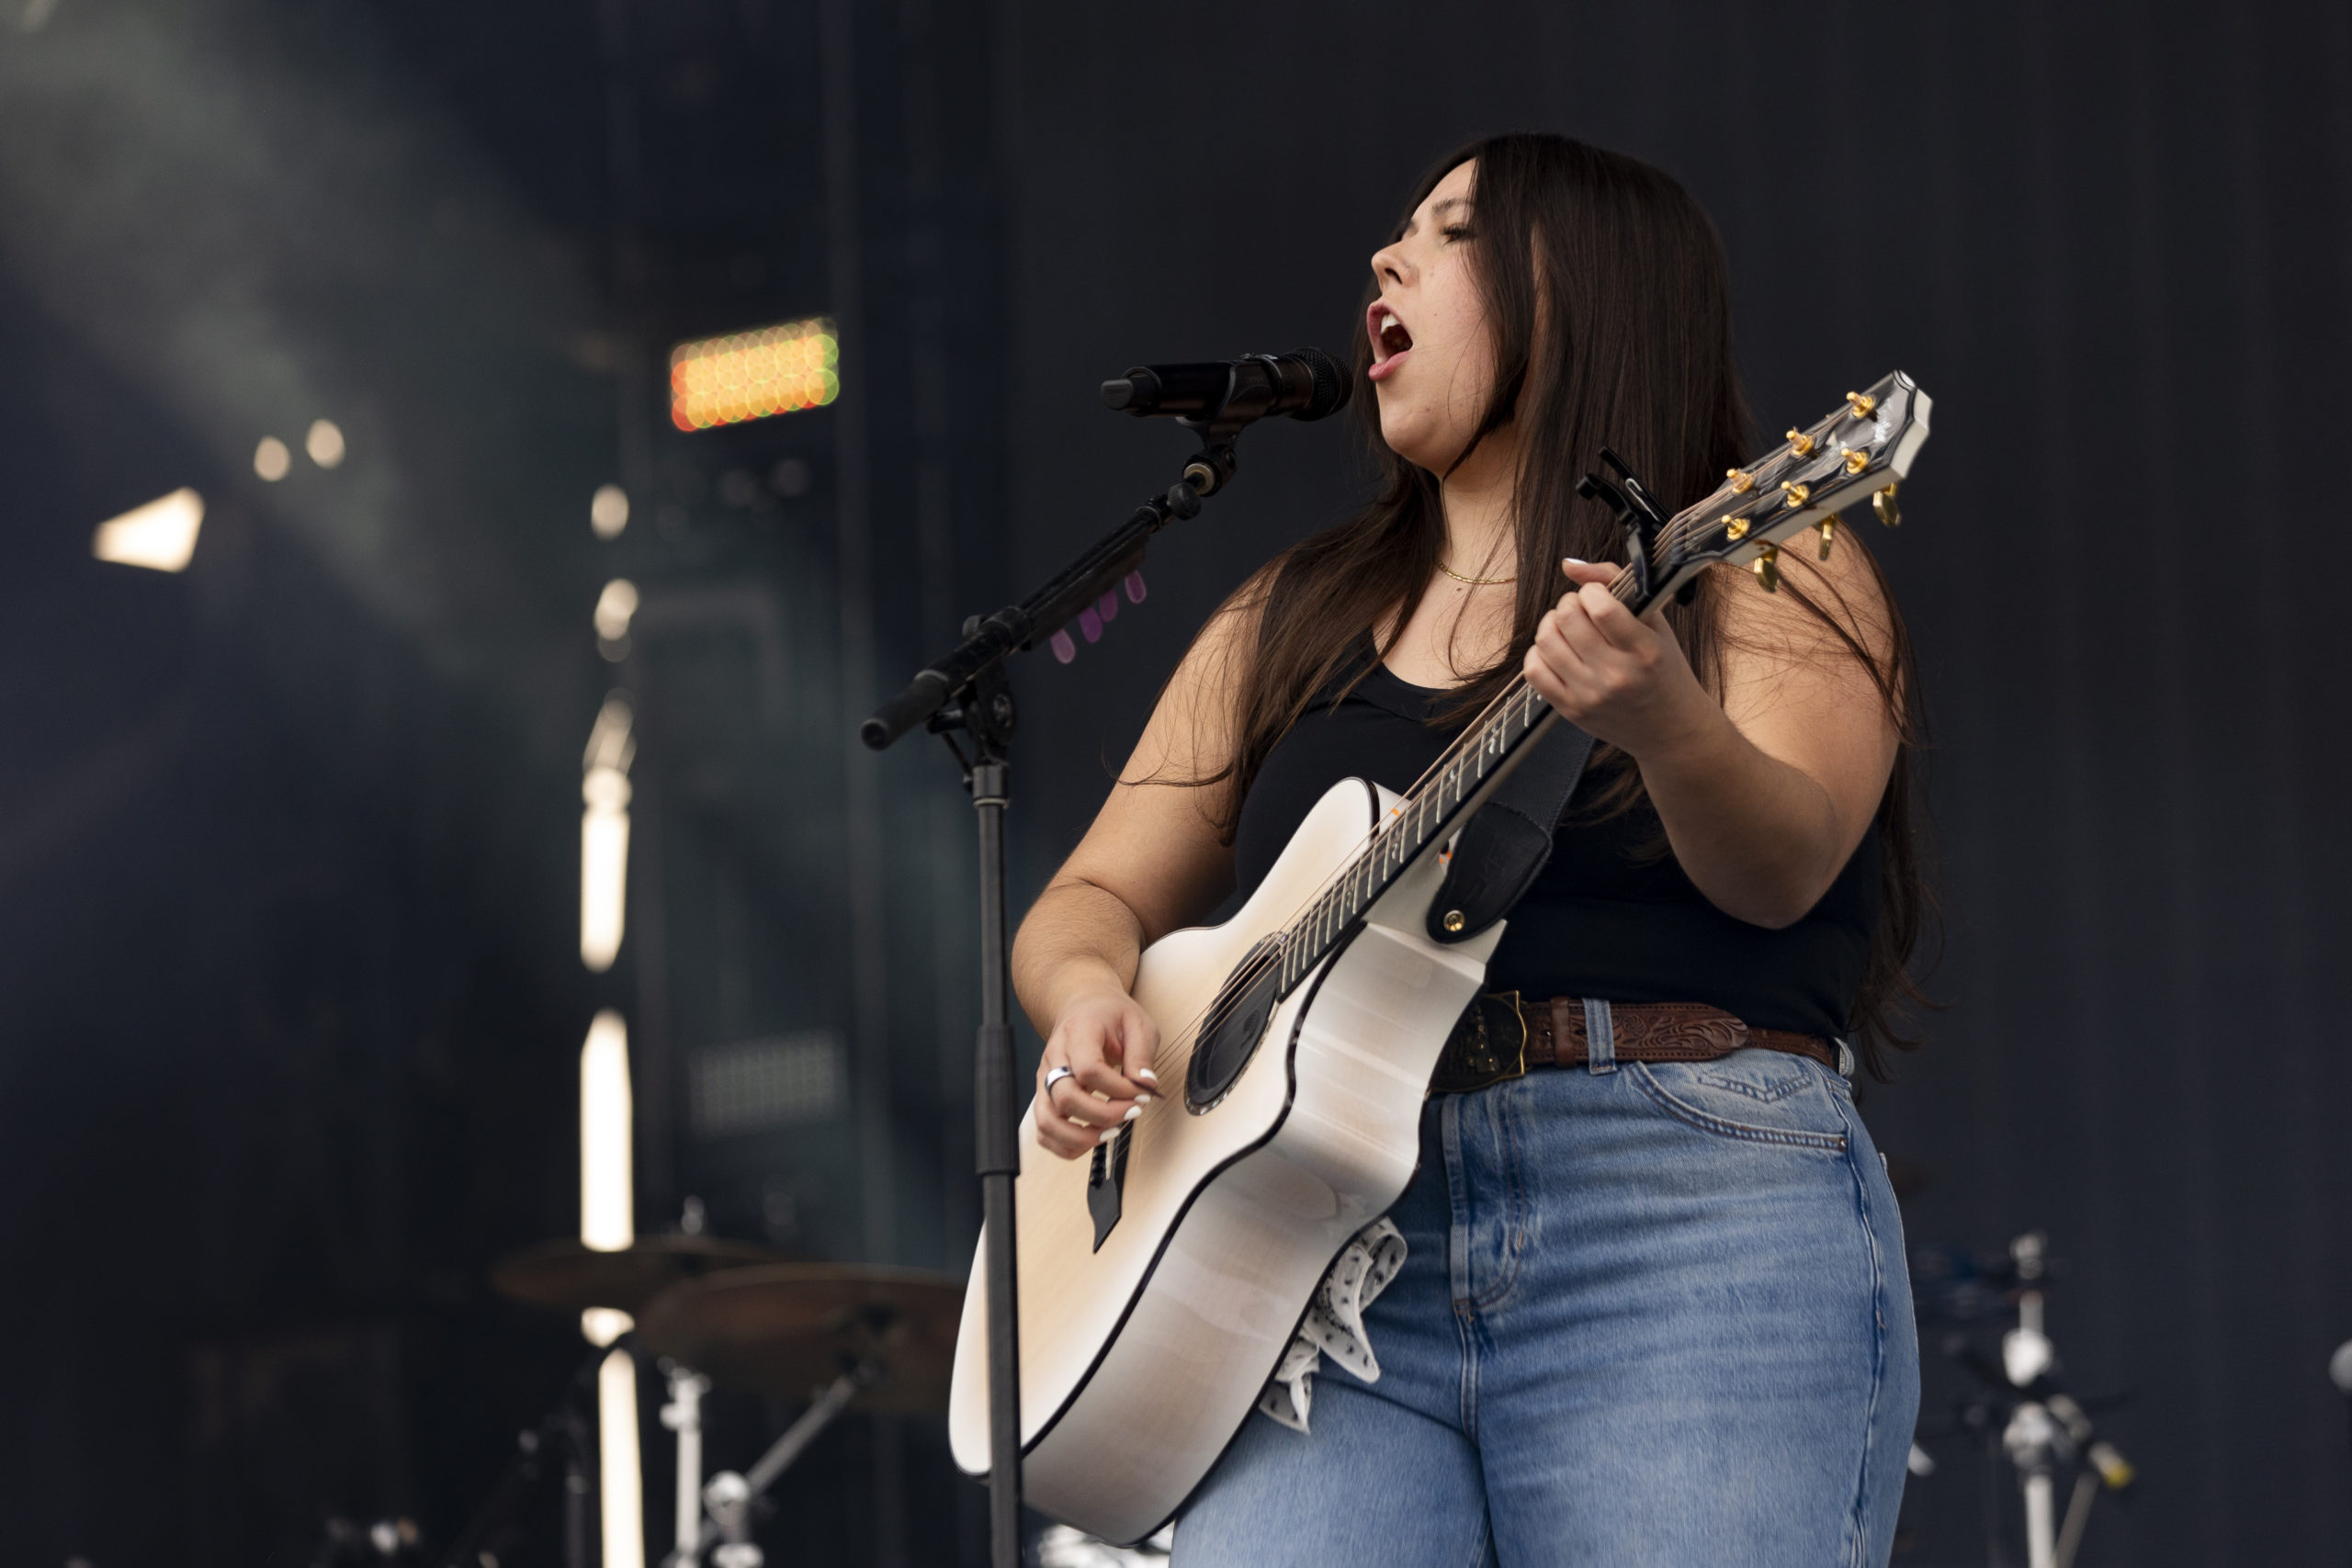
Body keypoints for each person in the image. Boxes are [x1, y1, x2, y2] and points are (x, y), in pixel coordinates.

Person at [1010, 132, 1928, 1567]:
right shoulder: (1287, 614)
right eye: (1402, 230)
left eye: (1452, 231)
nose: (1387, 257)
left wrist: (1666, 723)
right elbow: (1093, 894)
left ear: (1588, 294)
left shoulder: (1767, 556)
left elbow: (1788, 869)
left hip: (1681, 1208)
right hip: (1322, 1251)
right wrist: (1085, 999)